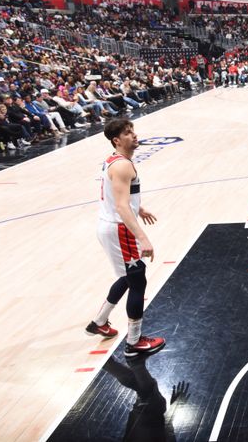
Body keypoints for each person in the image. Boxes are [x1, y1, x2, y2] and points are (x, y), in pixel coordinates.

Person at [87, 118, 166, 357]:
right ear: (116, 140)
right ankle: (134, 342)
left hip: (110, 225)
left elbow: (120, 196)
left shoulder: (115, 161)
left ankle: (99, 322)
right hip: (119, 228)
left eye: (133, 130)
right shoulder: (123, 166)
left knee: (127, 276)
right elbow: (121, 206)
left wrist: (138, 208)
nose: (134, 135)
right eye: (127, 132)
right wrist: (143, 238)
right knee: (137, 280)